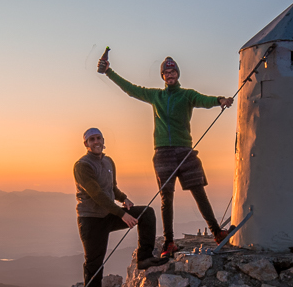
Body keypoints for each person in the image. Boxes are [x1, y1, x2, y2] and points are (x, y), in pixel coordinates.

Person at [98, 52, 233, 255]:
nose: (170, 75)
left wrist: (219, 100)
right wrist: (109, 72)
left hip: (185, 151)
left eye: (173, 71)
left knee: (199, 192)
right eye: (166, 72)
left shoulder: (187, 94)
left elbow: (203, 99)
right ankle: (169, 242)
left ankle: (216, 232)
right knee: (166, 198)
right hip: (163, 152)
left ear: (177, 74)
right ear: (162, 76)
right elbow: (131, 90)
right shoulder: (156, 96)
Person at [74, 127, 162, 287]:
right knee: (94, 264)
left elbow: (111, 188)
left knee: (147, 213)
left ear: (103, 140)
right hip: (91, 220)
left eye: (98, 138)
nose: (96, 142)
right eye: (91, 140)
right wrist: (122, 214)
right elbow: (97, 195)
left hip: (109, 214)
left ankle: (145, 257)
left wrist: (124, 199)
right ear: (86, 144)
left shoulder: (108, 161)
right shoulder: (82, 166)